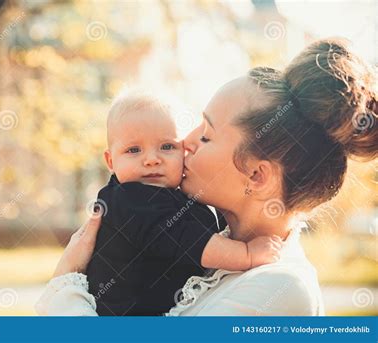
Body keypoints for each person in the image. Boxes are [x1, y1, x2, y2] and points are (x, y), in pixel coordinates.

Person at [35, 38, 377, 316]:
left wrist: (64, 284)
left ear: (257, 176)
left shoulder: (280, 290)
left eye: (207, 135)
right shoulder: (210, 238)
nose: (185, 142)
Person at [85, 90, 282, 316]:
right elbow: (186, 240)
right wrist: (246, 254)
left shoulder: (174, 196)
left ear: (183, 151)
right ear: (111, 161)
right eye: (133, 150)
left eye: (167, 147)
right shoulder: (128, 198)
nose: (151, 159)